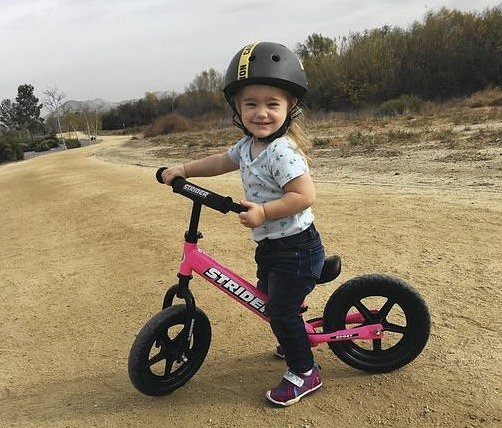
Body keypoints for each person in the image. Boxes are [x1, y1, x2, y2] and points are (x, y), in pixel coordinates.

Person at [160, 42, 325, 407]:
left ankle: (305, 371)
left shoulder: (281, 152)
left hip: (296, 246)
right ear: (237, 108)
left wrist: (265, 212)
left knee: (278, 308)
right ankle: (292, 328)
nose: (261, 113)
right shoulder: (249, 145)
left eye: (272, 104)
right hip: (274, 245)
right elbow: (221, 160)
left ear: (290, 107)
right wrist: (184, 170)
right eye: (251, 104)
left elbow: (304, 195)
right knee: (271, 296)